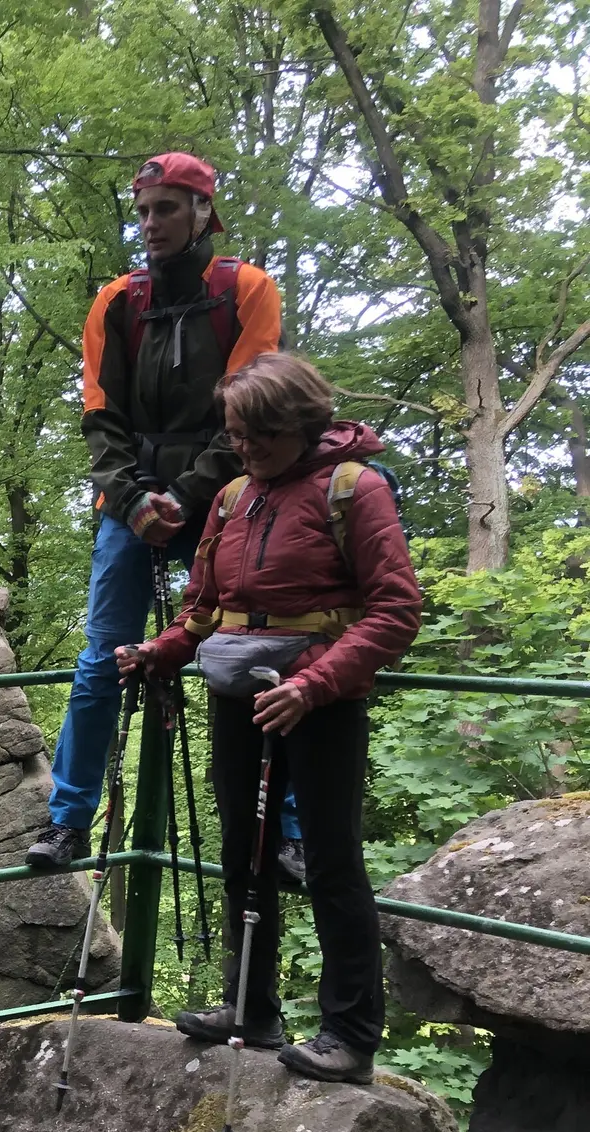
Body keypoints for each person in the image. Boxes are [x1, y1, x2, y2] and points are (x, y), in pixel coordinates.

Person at [119, 353, 422, 1084]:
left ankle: (350, 1032)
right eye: (236, 436)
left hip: (318, 701)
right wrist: (159, 652)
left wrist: (314, 684)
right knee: (242, 852)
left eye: (257, 436)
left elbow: (396, 610)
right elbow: (203, 606)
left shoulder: (355, 489)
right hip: (237, 693)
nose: (246, 449)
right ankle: (251, 1009)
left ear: (299, 423)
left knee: (330, 857)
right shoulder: (230, 499)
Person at [28, 152, 303, 884]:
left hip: (225, 493)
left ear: (203, 212)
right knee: (102, 656)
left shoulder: (246, 290)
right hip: (132, 500)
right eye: (144, 210)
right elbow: (100, 415)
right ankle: (66, 821)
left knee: (260, 642)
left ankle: (287, 829)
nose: (150, 223)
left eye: (167, 209)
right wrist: (129, 500)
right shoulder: (117, 302)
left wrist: (185, 493)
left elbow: (248, 407)